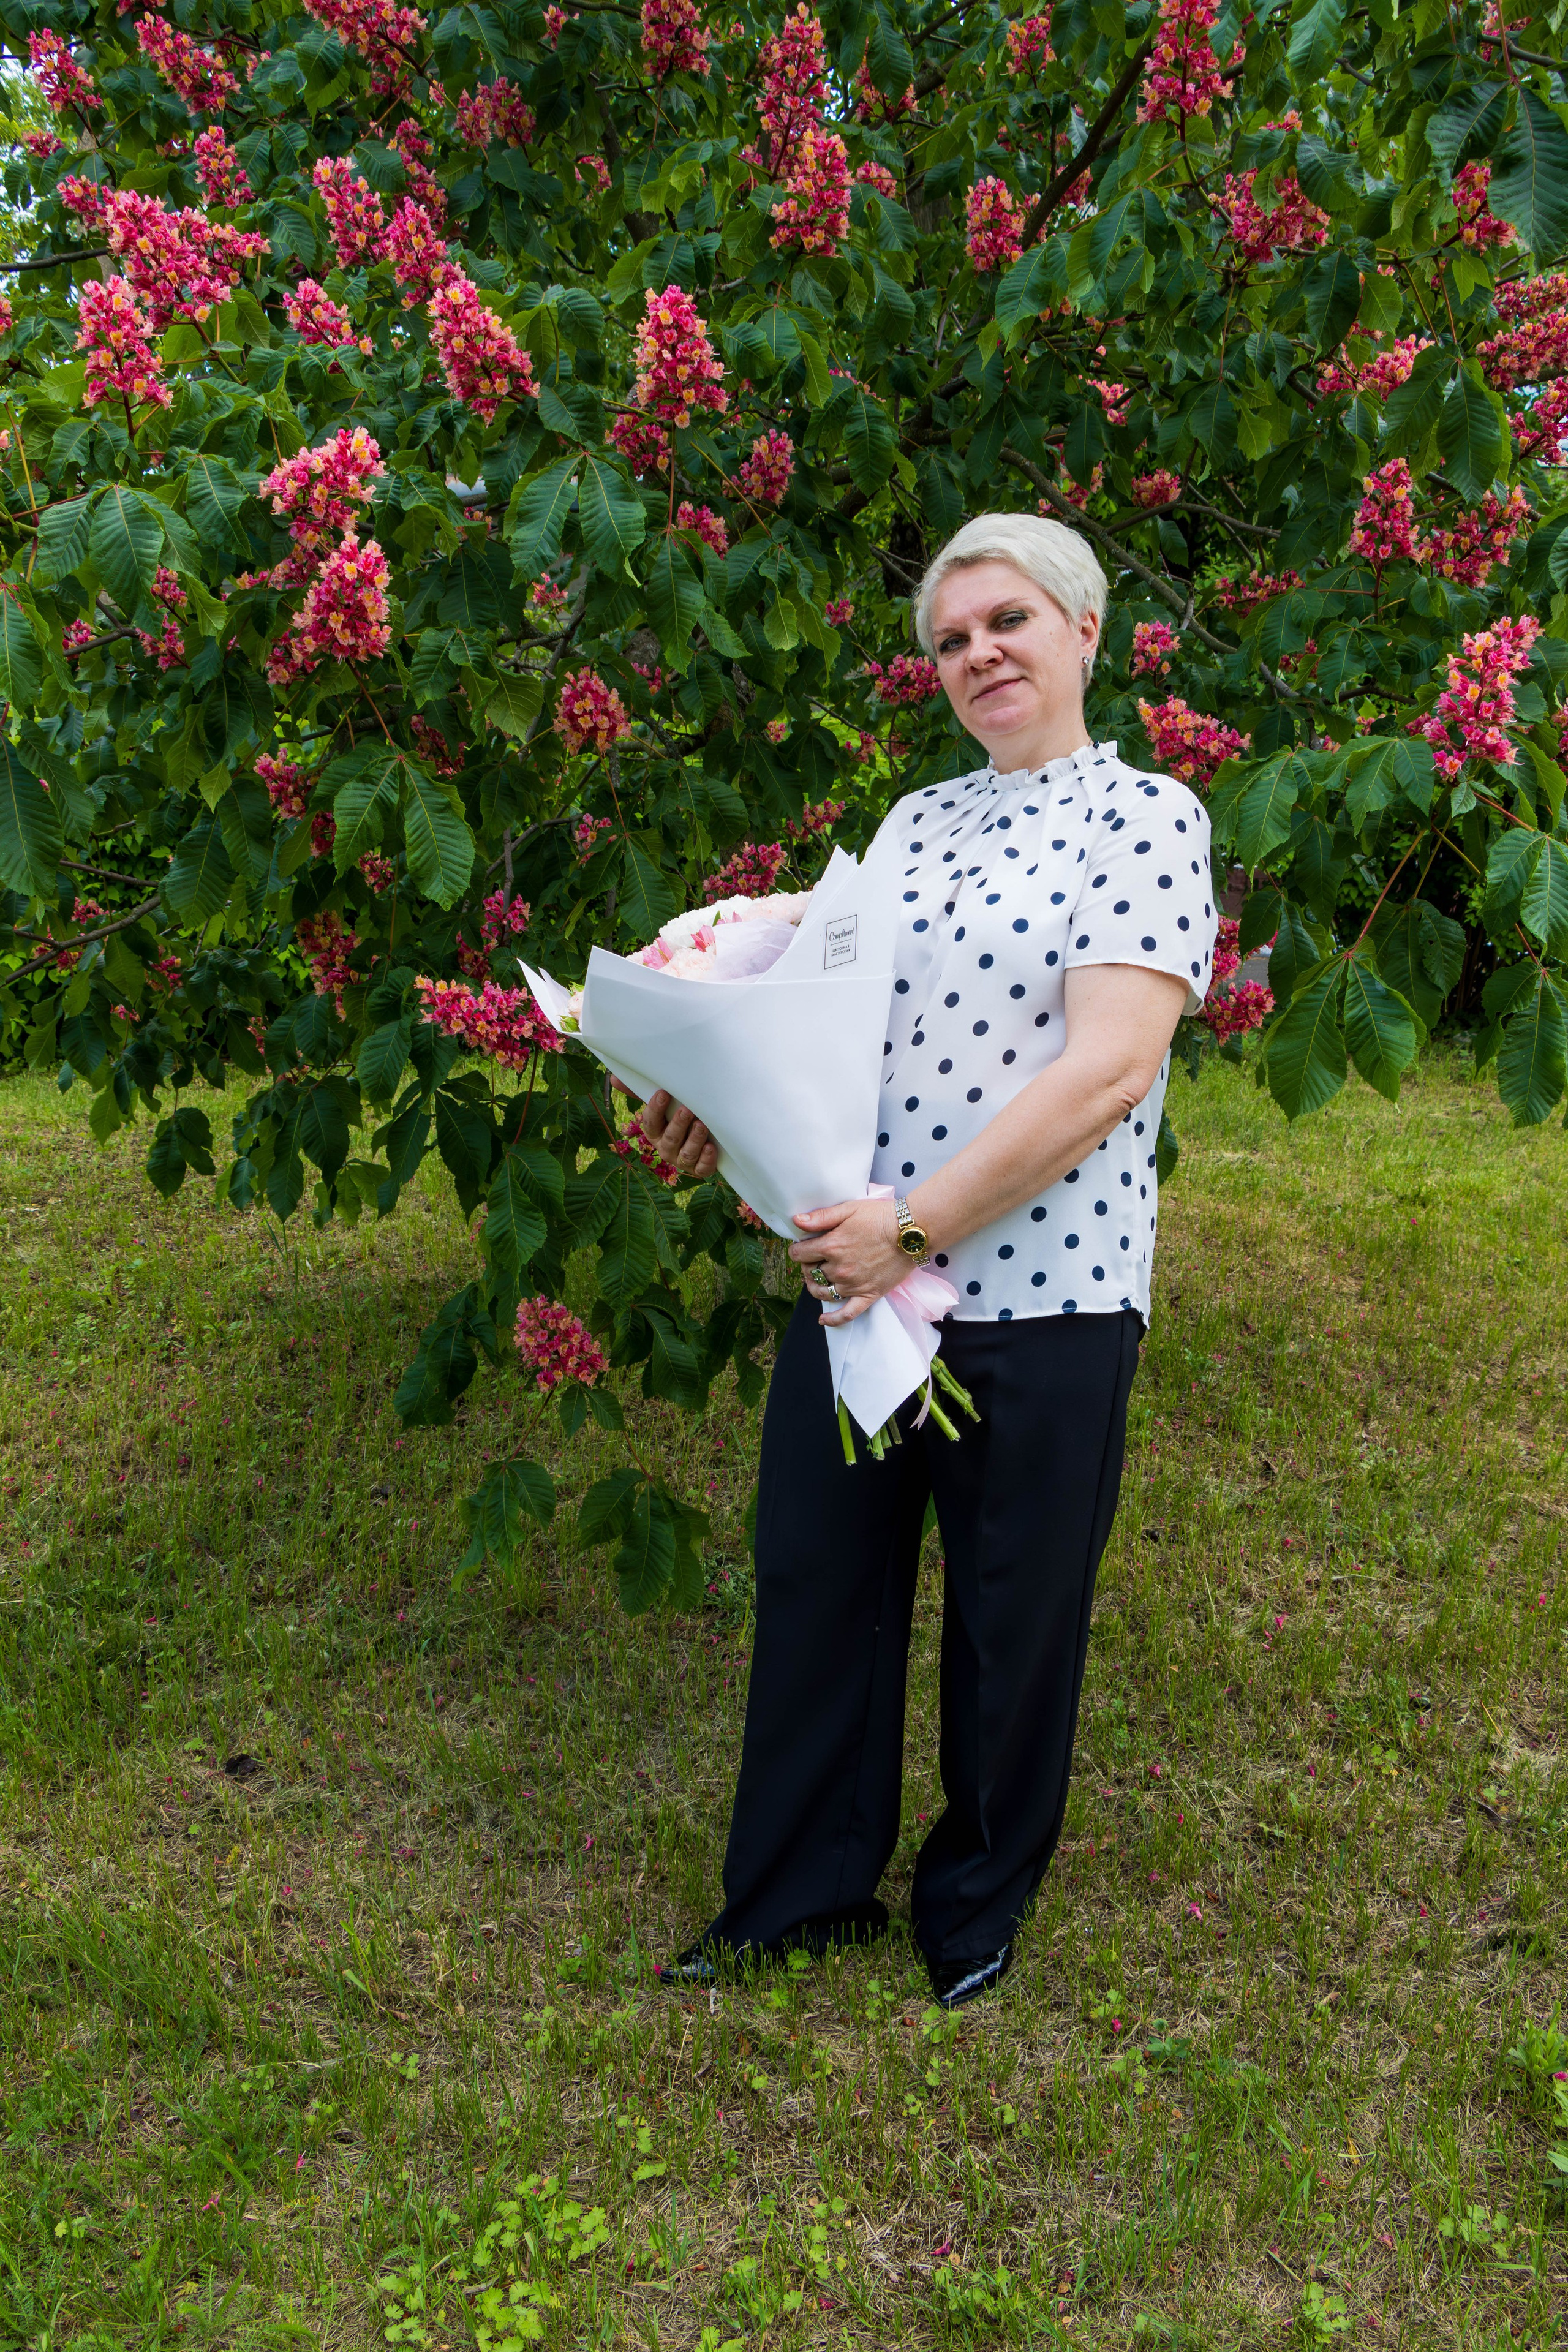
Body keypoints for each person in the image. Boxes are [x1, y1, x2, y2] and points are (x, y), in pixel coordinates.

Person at [634, 513, 1219, 2008]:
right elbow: (820, 1027)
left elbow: (1105, 1073)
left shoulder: (1144, 817)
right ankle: (793, 1896)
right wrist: (712, 1103)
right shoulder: (911, 824)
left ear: (1083, 632)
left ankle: (972, 1901)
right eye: (950, 640)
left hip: (1046, 1289)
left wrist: (919, 1220)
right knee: (817, 1579)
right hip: (865, 1281)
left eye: (1006, 622)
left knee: (1012, 1611)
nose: (978, 657)